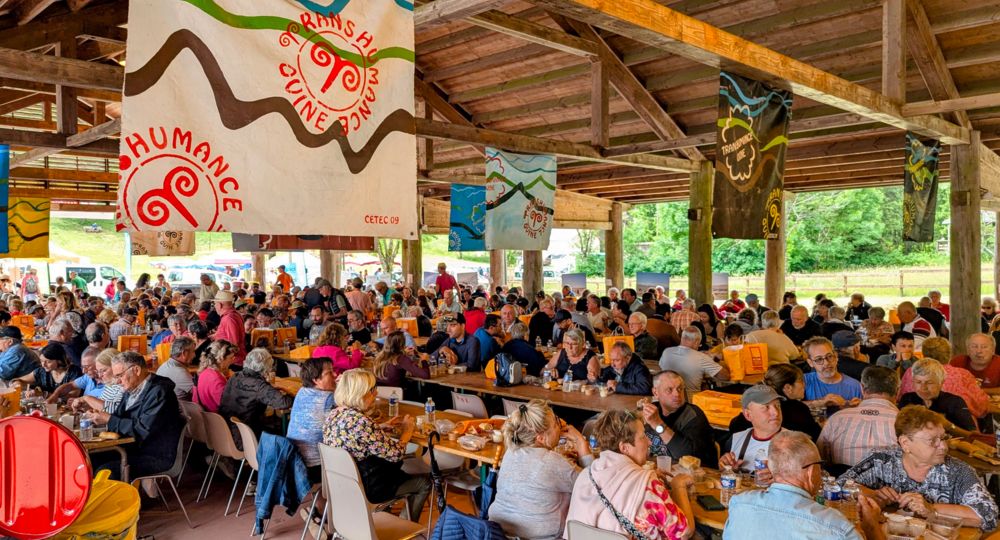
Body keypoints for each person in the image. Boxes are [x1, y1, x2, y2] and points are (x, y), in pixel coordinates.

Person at [839, 405, 997, 530]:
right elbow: (839, 484)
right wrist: (872, 494)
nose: (943, 446)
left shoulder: (958, 471)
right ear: (905, 443)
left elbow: (988, 515)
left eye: (943, 438)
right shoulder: (881, 460)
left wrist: (932, 510)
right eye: (932, 440)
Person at [724, 431, 884, 540]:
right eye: (819, 465)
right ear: (811, 471)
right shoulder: (836, 527)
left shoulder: (739, 504)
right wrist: (871, 527)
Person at [565, 409, 694, 540]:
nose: (649, 442)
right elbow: (684, 532)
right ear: (625, 448)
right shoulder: (648, 485)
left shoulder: (586, 474)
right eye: (643, 437)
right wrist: (679, 486)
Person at [323, 369, 430, 521]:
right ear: (361, 393)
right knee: (424, 483)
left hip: (340, 484)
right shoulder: (362, 422)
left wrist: (379, 427)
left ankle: (387, 517)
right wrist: (407, 431)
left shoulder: (333, 414)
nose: (376, 393)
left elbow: (353, 436)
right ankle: (404, 527)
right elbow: (396, 454)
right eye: (372, 390)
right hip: (367, 488)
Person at [488, 400, 591, 540]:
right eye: (555, 424)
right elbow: (592, 486)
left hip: (497, 534)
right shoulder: (552, 461)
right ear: (541, 438)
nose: (559, 426)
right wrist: (581, 442)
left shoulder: (511, 452)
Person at [85, 351, 184, 480]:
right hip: (134, 447)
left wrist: (109, 419)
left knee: (107, 471)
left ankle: (120, 500)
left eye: (120, 375)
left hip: (155, 454)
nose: (118, 381)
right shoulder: (131, 388)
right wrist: (100, 417)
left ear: (136, 370)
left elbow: (142, 429)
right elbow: (119, 416)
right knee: (88, 459)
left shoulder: (160, 392)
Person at [818, 366, 900, 469]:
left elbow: (818, 461)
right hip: (889, 484)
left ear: (862, 388)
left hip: (842, 482)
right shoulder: (906, 423)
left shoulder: (837, 419)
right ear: (897, 391)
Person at [218, 348, 294, 447]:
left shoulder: (235, 376)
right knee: (287, 440)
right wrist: (290, 394)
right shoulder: (258, 385)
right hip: (246, 437)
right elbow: (284, 403)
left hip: (225, 431)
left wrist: (269, 388)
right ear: (265, 368)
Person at [642, 370, 716, 467]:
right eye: (669, 390)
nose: (677, 394)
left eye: (680, 389)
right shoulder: (652, 411)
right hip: (657, 470)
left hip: (693, 475)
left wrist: (658, 424)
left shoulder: (693, 416)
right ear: (655, 392)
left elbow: (689, 457)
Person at [729, 363, 822, 441]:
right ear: (788, 388)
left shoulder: (756, 406)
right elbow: (817, 436)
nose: (804, 385)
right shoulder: (799, 409)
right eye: (801, 381)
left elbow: (734, 425)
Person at [901, 337, 988, 419]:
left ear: (924, 354)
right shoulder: (962, 374)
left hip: (914, 422)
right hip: (958, 425)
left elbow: (900, 398)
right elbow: (980, 406)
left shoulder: (911, 371)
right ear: (949, 354)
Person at [287, 357, 337, 484]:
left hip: (294, 461)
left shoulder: (302, 391)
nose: (335, 375)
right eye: (329, 373)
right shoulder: (328, 398)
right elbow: (345, 425)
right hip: (316, 465)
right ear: (316, 380)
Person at [720, 385, 783, 477]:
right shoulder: (736, 440)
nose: (776, 412)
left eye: (777, 405)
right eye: (766, 407)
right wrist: (727, 470)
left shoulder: (797, 443)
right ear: (748, 415)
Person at [898, 359, 977, 431]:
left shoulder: (954, 402)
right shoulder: (907, 399)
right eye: (918, 382)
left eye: (929, 383)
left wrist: (948, 425)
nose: (923, 387)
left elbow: (973, 435)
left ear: (941, 382)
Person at [658, 326, 729, 398]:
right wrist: (716, 359)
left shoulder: (667, 352)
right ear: (696, 342)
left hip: (666, 398)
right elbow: (725, 376)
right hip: (689, 402)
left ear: (682, 338)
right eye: (699, 344)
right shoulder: (702, 357)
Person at [801, 336, 862, 406]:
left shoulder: (855, 386)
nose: (826, 363)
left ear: (836, 357)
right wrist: (821, 402)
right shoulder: (803, 381)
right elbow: (789, 407)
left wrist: (845, 404)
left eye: (829, 356)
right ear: (810, 363)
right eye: (819, 359)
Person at [193, 340, 236, 413]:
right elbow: (229, 407)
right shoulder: (216, 379)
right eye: (231, 358)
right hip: (218, 421)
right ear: (221, 358)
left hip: (208, 417)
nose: (233, 360)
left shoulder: (204, 371)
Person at [155, 336, 196, 401]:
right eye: (193, 351)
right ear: (184, 353)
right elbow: (199, 394)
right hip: (181, 409)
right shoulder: (180, 372)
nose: (194, 355)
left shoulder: (164, 365)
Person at [213, 291, 246, 367]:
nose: (214, 306)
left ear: (219, 305)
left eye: (215, 304)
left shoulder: (229, 318)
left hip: (233, 362)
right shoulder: (234, 315)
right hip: (233, 360)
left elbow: (233, 344)